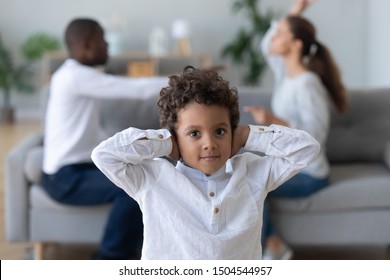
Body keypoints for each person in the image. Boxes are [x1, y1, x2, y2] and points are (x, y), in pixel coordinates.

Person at [91, 65, 320, 259]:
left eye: (220, 131)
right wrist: (166, 143)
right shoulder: (153, 178)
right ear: (175, 135)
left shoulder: (252, 172)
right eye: (194, 134)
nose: (209, 143)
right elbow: (104, 156)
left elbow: (307, 149)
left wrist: (247, 135)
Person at [42, 18, 168, 259]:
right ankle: (109, 259)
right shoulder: (74, 76)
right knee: (130, 186)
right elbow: (138, 90)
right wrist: (183, 79)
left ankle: (136, 252)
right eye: (102, 39)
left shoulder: (76, 75)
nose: (107, 45)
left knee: (143, 173)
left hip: (77, 169)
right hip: (64, 178)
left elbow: (91, 132)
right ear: (87, 45)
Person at [243, 0, 348, 259]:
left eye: (281, 34)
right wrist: (294, 12)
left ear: (295, 45)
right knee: (243, 174)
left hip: (310, 172)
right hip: (290, 164)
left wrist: (274, 119)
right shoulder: (285, 74)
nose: (274, 37)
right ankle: (273, 243)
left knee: (251, 182)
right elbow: (267, 46)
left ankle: (274, 244)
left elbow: (316, 135)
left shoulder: (307, 84)